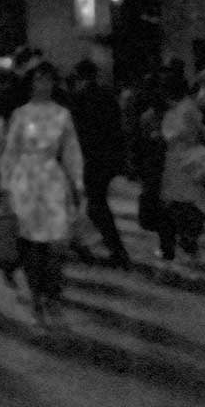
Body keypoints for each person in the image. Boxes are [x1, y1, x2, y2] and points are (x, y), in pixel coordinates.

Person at [0, 60, 85, 325]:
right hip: (26, 181)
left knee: (55, 241)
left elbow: (71, 151)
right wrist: (5, 187)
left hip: (52, 180)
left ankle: (52, 293)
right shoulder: (21, 114)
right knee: (30, 241)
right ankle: (37, 296)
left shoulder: (62, 115)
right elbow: (10, 152)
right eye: (38, 79)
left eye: (48, 79)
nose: (43, 85)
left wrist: (77, 184)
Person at [63, 59, 134, 270]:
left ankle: (114, 249)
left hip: (90, 157)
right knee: (95, 202)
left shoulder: (79, 98)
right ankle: (110, 247)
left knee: (94, 204)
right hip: (107, 156)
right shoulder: (106, 95)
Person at [158, 76, 205, 264]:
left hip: (185, 160)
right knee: (181, 202)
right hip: (181, 160)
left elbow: (180, 133)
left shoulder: (185, 109)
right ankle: (187, 242)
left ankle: (189, 241)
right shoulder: (183, 107)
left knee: (186, 204)